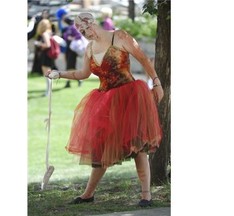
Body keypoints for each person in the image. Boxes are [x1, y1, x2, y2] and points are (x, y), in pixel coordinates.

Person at [45, 12, 164, 207]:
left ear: (92, 22)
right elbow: (83, 74)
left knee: (138, 146)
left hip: (130, 98)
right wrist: (59, 74)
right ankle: (88, 194)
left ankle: (146, 195)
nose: (84, 33)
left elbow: (143, 59)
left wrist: (157, 83)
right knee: (100, 148)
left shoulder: (120, 37)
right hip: (105, 101)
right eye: (80, 31)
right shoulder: (89, 49)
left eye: (84, 28)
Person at [28, 9, 57, 75]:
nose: (44, 15)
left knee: (47, 65)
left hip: (46, 44)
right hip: (41, 41)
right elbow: (34, 32)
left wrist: (39, 43)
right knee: (42, 62)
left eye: (46, 13)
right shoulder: (39, 22)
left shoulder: (48, 27)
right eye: (43, 13)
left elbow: (48, 44)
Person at [35, 19, 57, 96]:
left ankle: (48, 91)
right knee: (48, 74)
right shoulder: (49, 32)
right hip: (49, 55)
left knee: (47, 74)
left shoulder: (44, 34)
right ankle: (49, 91)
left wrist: (39, 44)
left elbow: (47, 45)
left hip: (46, 55)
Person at [62, 16, 83, 88]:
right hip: (68, 49)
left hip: (72, 50)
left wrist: (71, 38)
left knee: (70, 66)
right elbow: (64, 37)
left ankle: (71, 81)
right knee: (70, 66)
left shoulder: (73, 27)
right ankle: (77, 80)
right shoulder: (68, 28)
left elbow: (79, 36)